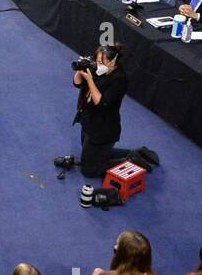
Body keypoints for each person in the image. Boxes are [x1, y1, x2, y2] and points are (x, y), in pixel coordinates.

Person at [64, 42, 156, 178]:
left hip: (103, 129)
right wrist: (80, 69)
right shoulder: (95, 67)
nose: (97, 64)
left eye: (102, 62)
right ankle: (135, 153)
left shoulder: (120, 79)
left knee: (89, 170)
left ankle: (131, 161)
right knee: (92, 155)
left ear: (113, 62)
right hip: (88, 120)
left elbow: (100, 102)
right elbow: (77, 83)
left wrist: (90, 80)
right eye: (97, 60)